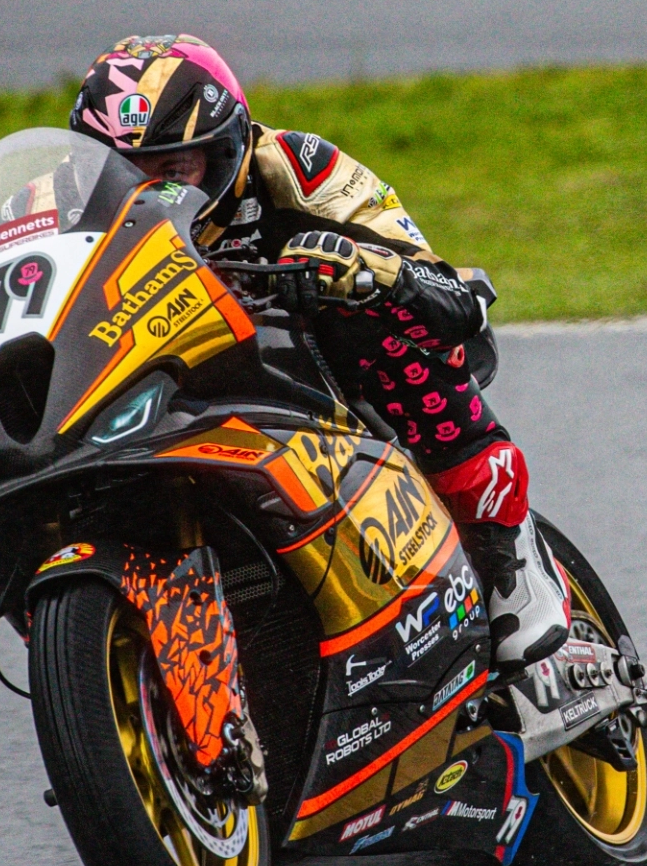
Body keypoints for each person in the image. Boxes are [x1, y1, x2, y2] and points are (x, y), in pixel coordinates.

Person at [68, 34, 569, 668]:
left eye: (175, 170)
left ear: (225, 151)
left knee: (369, 318)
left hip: (316, 375)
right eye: (126, 173)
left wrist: (361, 268)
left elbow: (452, 297)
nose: (150, 194)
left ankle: (505, 543)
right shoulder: (62, 200)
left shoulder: (296, 166)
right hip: (177, 381)